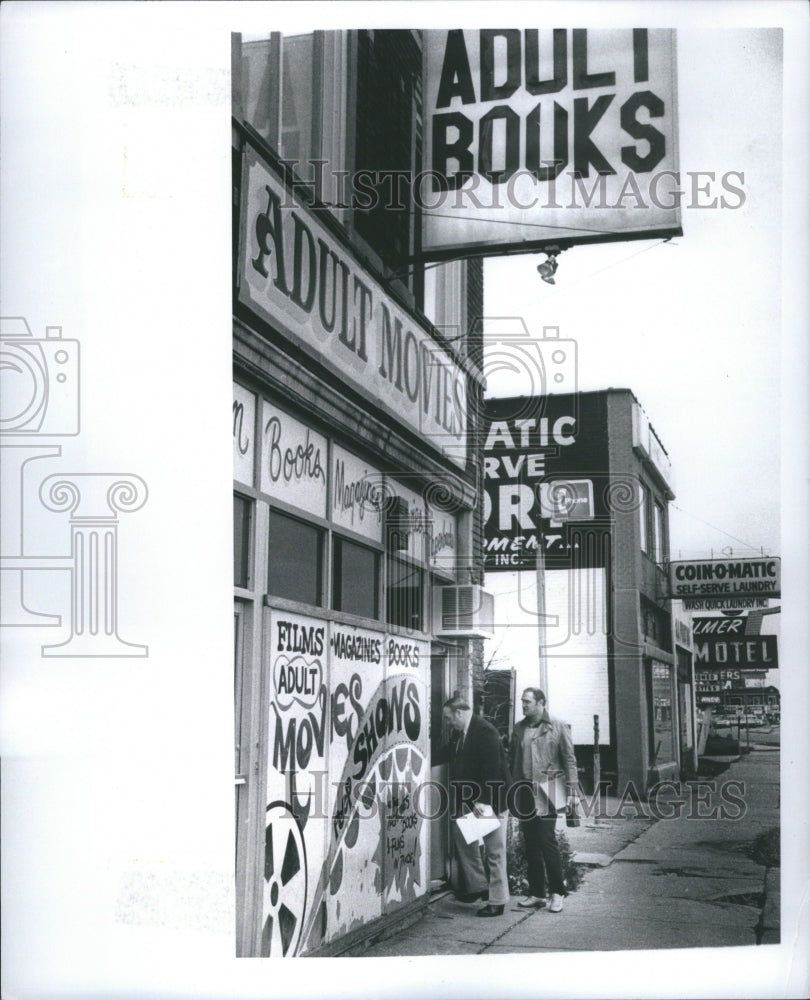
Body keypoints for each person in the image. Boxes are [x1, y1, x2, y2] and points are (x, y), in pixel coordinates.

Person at [432, 695, 512, 917]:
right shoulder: (462, 733)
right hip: (475, 801)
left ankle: (498, 901)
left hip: (490, 800)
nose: (449, 723)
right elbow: (448, 752)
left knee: (495, 851)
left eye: (449, 718)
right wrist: (422, 757)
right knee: (462, 836)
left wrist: (483, 801)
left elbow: (492, 770)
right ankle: (478, 887)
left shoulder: (484, 732)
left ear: (459, 713)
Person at [509, 687, 579, 914]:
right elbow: (513, 761)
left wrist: (573, 792)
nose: (523, 706)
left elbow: (569, 760)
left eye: (528, 702)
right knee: (529, 843)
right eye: (522, 702)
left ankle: (557, 893)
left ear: (541, 703)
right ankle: (538, 893)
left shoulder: (557, 726)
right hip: (524, 791)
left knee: (547, 840)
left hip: (548, 791)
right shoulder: (519, 728)